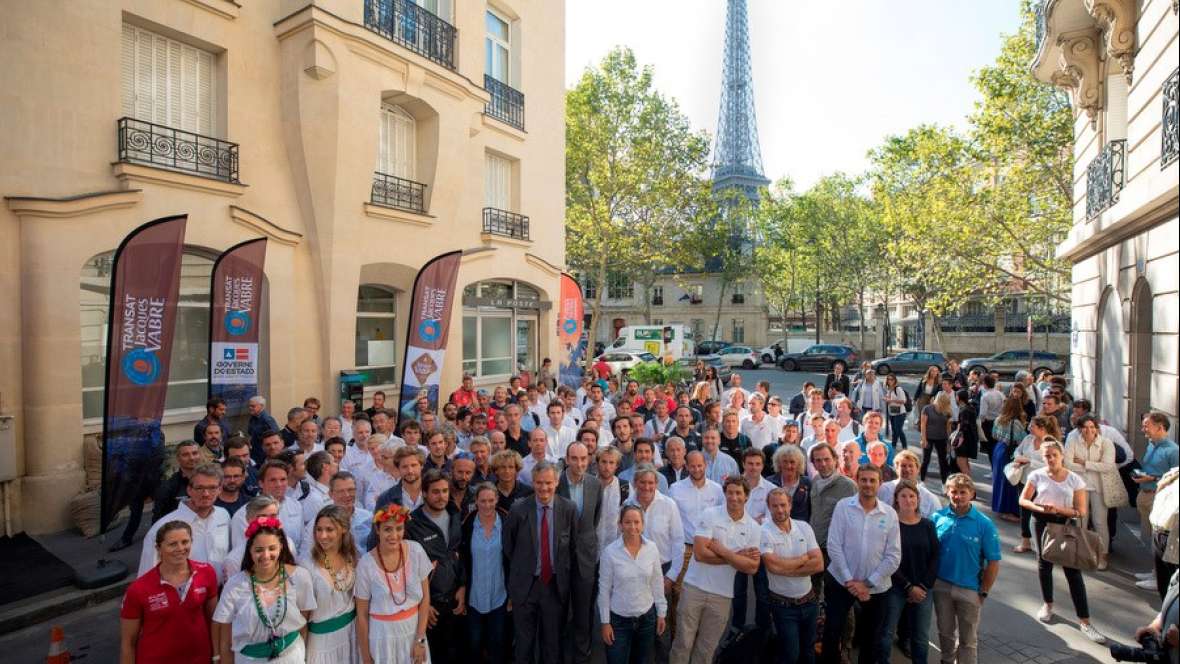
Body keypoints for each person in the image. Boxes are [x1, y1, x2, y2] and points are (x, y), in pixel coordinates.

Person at [1019, 439, 1106, 643]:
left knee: (1072, 570)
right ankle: (1048, 604)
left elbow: (1082, 511)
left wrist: (1059, 510)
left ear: (1062, 456)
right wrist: (1041, 508)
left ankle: (1085, 621)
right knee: (1044, 563)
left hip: (1065, 523)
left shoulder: (1075, 479)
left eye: (1053, 455)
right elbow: (1023, 500)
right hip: (1040, 521)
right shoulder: (1036, 475)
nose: (1050, 459)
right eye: (1046, 456)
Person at [670, 476, 761, 664]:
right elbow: (700, 554)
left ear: (746, 497)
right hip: (694, 588)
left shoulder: (753, 528)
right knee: (682, 644)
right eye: (730, 492)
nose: (733, 497)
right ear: (724, 493)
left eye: (738, 493)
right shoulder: (710, 514)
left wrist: (722, 551)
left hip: (722, 596)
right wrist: (737, 557)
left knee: (706, 649)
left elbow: (752, 567)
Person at [820, 464, 900, 664]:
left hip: (877, 588)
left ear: (880, 484)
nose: (867, 484)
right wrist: (850, 581)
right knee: (832, 632)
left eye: (872, 480)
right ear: (857, 480)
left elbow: (893, 556)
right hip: (841, 582)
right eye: (863, 479)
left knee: (871, 638)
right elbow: (834, 545)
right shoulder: (843, 506)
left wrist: (867, 583)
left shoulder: (889, 514)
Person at [213, 516, 317, 663]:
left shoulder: (299, 576)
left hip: (291, 657)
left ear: (281, 546)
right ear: (249, 550)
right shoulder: (235, 584)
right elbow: (225, 636)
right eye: (259, 550)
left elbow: (303, 625)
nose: (266, 555)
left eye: (272, 548)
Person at [503, 462, 578, 664]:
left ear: (556, 483)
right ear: (533, 483)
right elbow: (508, 547)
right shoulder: (519, 509)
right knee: (524, 645)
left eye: (548, 483)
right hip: (525, 587)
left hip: (554, 586)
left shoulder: (568, 509)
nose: (543, 488)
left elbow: (572, 547)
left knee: (552, 645)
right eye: (539, 483)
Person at [120, 521, 219, 664]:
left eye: (185, 542)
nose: (180, 548)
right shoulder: (138, 589)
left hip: (200, 658)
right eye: (172, 544)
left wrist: (217, 655)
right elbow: (128, 643)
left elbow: (214, 622)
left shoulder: (206, 572)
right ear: (158, 548)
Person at [931, 473, 1001, 664]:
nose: (958, 496)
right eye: (954, 492)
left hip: (969, 589)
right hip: (941, 586)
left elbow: (993, 562)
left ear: (972, 494)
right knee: (944, 633)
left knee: (968, 640)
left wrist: (983, 592)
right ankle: (946, 660)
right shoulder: (937, 518)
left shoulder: (984, 524)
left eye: (963, 492)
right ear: (947, 492)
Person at [354, 505, 433, 664]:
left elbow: (425, 600)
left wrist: (420, 640)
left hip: (413, 633)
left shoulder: (416, 551)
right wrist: (366, 657)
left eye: (399, 528)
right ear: (378, 530)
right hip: (382, 638)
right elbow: (361, 615)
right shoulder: (366, 564)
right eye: (387, 529)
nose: (394, 535)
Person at [406, 469, 465, 663]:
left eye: (445, 491)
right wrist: (423, 604)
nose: (441, 497)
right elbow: (408, 569)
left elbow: (461, 553)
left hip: (455, 600)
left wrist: (463, 586)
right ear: (424, 493)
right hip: (430, 606)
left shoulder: (455, 514)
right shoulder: (412, 524)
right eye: (436, 492)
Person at [139, 463, 232, 584]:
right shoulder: (162, 528)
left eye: (212, 488)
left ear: (220, 489)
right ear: (189, 489)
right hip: (181, 598)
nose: (206, 494)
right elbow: (147, 577)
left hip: (220, 594)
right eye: (199, 488)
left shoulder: (223, 516)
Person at [761, 488, 823, 664]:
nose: (780, 510)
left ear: (790, 505)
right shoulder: (764, 531)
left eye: (783, 505)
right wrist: (804, 559)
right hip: (783, 606)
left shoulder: (804, 527)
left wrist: (785, 567)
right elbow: (772, 566)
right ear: (769, 507)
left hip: (810, 602)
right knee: (790, 655)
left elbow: (818, 564)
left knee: (809, 652)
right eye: (775, 506)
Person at [600, 504, 668, 664]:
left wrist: (661, 613)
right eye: (627, 522)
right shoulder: (610, 552)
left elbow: (657, 582)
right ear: (620, 525)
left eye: (637, 522)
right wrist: (605, 623)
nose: (632, 527)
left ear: (642, 525)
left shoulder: (652, 548)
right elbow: (604, 590)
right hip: (619, 621)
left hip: (647, 618)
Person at [879, 480, 939, 664]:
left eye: (912, 496)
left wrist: (921, 586)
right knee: (886, 633)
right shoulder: (891, 524)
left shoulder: (928, 525)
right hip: (895, 587)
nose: (908, 500)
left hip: (922, 590)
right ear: (896, 499)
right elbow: (886, 557)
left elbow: (935, 557)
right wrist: (907, 586)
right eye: (903, 496)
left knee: (920, 636)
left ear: (918, 499)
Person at [557, 442, 603, 664]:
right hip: (558, 559)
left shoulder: (595, 484)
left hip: (586, 558)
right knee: (558, 611)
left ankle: (582, 657)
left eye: (583, 458)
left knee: (584, 613)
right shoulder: (555, 483)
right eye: (574, 458)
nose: (579, 463)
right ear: (567, 459)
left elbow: (593, 520)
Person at [299, 506, 359, 664]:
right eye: (319, 530)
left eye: (329, 529)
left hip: (351, 635)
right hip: (321, 645)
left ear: (343, 530)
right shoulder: (307, 566)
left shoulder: (352, 557)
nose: (322, 536)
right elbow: (302, 619)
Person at [461, 483, 509, 664]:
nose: (487, 505)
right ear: (476, 502)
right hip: (474, 598)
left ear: (497, 500)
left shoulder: (506, 522)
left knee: (497, 643)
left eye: (491, 500)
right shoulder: (467, 525)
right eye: (483, 501)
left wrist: (512, 594)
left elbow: (512, 560)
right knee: (474, 644)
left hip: (499, 595)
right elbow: (462, 560)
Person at [1064, 414, 1119, 570]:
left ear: (1097, 429)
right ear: (1080, 429)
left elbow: (1108, 466)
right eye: (1085, 427)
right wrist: (1094, 465)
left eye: (1092, 427)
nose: (1089, 430)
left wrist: (1084, 463)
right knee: (1081, 521)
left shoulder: (1106, 443)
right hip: (1079, 486)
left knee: (1100, 522)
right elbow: (1067, 463)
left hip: (1099, 487)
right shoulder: (1073, 440)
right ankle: (1082, 554)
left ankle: (1102, 555)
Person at [1136, 412, 1180, 557]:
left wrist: (1152, 479)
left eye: (1146, 426)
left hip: (1159, 498)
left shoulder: (1173, 450)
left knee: (1158, 538)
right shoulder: (1150, 445)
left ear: (1160, 427)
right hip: (1145, 495)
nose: (1143, 430)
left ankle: (1157, 577)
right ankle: (1153, 574)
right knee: (1148, 536)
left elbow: (1176, 478)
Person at [1011, 415, 1057, 553]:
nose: (1029, 428)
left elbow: (1052, 462)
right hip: (1025, 480)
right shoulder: (1028, 439)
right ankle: (1025, 542)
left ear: (1042, 429)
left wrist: (1030, 461)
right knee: (1024, 511)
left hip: (1044, 483)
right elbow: (1018, 450)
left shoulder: (1051, 443)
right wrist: (1018, 457)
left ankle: (1044, 544)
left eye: (1032, 426)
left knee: (1042, 513)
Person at [808, 443, 857, 559]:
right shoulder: (815, 481)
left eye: (827, 459)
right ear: (814, 464)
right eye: (818, 460)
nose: (823, 464)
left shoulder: (848, 486)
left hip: (834, 550)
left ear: (835, 460)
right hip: (814, 545)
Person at [990, 394, 1027, 523]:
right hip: (1009, 451)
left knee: (999, 479)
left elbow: (994, 435)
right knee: (1011, 480)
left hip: (998, 449)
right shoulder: (1016, 423)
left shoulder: (999, 419)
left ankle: (1000, 507)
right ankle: (1011, 510)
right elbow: (1022, 440)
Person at [878, 450, 942, 518]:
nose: (907, 469)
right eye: (903, 466)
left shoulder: (930, 498)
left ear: (918, 469)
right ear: (896, 468)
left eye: (911, 466)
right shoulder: (883, 490)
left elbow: (937, 523)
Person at [152, 440, 204, 523]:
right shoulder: (168, 487)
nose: (191, 458)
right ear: (178, 458)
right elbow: (158, 519)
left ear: (200, 455)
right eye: (185, 455)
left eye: (195, 453)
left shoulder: (210, 480)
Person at [919, 391, 953, 484]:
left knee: (943, 462)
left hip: (942, 438)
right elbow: (923, 425)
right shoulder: (927, 409)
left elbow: (948, 429)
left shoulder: (947, 411)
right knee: (926, 460)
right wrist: (923, 439)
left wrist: (949, 443)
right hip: (929, 437)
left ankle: (944, 484)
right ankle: (922, 481)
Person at [490, 449, 533, 514]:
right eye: (503, 467)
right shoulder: (488, 492)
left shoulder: (528, 492)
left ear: (517, 470)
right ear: (496, 470)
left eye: (511, 467)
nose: (507, 471)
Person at [952, 389, 979, 478]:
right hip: (970, 441)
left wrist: (955, 438)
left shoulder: (964, 410)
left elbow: (963, 427)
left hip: (963, 442)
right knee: (966, 465)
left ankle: (968, 486)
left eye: (956, 396)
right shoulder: (970, 408)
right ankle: (968, 485)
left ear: (959, 398)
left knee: (962, 465)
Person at [247, 397, 281, 463]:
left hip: (263, 455)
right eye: (249, 406)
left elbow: (275, 436)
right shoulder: (253, 417)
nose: (250, 408)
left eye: (253, 406)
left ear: (261, 406)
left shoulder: (267, 420)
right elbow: (251, 433)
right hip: (254, 453)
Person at [883, 374, 909, 449]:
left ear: (895, 380)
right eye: (888, 379)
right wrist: (886, 399)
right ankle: (893, 445)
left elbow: (903, 401)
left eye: (892, 379)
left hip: (900, 413)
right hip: (892, 412)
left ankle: (904, 446)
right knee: (894, 430)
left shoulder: (898, 389)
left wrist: (890, 400)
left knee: (899, 430)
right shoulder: (888, 389)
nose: (890, 381)